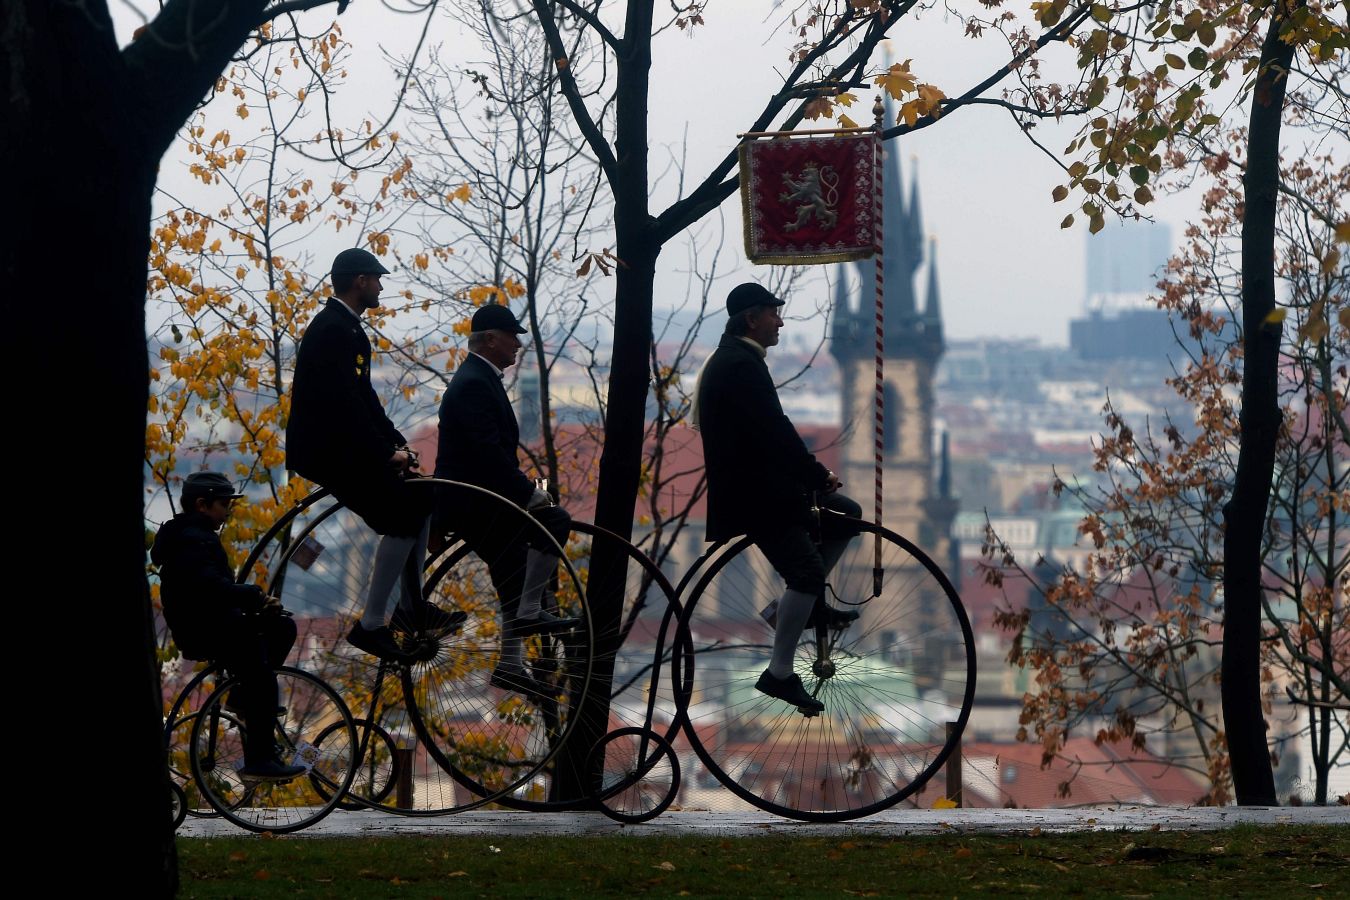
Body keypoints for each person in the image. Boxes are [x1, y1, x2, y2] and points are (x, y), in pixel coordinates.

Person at [286, 247, 463, 663]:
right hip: (329, 452)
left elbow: (364, 399)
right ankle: (371, 625)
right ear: (360, 281)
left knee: (421, 496)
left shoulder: (347, 329)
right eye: (377, 279)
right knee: (402, 514)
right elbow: (344, 406)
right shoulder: (333, 330)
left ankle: (411, 607)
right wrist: (385, 453)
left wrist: (397, 444)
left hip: (343, 446)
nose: (382, 287)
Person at [695, 282, 862, 713]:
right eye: (774, 313)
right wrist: (815, 474)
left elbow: (771, 430)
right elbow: (774, 431)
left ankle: (806, 606)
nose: (781, 322)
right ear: (752, 319)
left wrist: (809, 477)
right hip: (756, 495)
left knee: (846, 515)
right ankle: (780, 672)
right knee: (805, 571)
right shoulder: (739, 364)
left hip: (766, 486)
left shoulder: (739, 358)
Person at [434, 304, 580, 698]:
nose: (517, 344)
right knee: (555, 520)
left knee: (513, 568)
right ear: (490, 339)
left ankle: (511, 664)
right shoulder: (475, 383)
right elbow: (486, 455)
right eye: (511, 336)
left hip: (479, 495)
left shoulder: (480, 377)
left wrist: (526, 490)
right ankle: (530, 613)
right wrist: (528, 493)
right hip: (472, 499)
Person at [151, 472, 306, 780]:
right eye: (223, 504)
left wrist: (252, 602)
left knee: (281, 629)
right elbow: (211, 588)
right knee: (262, 679)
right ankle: (260, 759)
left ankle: (242, 698)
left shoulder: (190, 535)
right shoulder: (193, 540)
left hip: (211, 624)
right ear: (202, 504)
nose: (228, 511)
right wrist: (255, 596)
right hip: (207, 630)